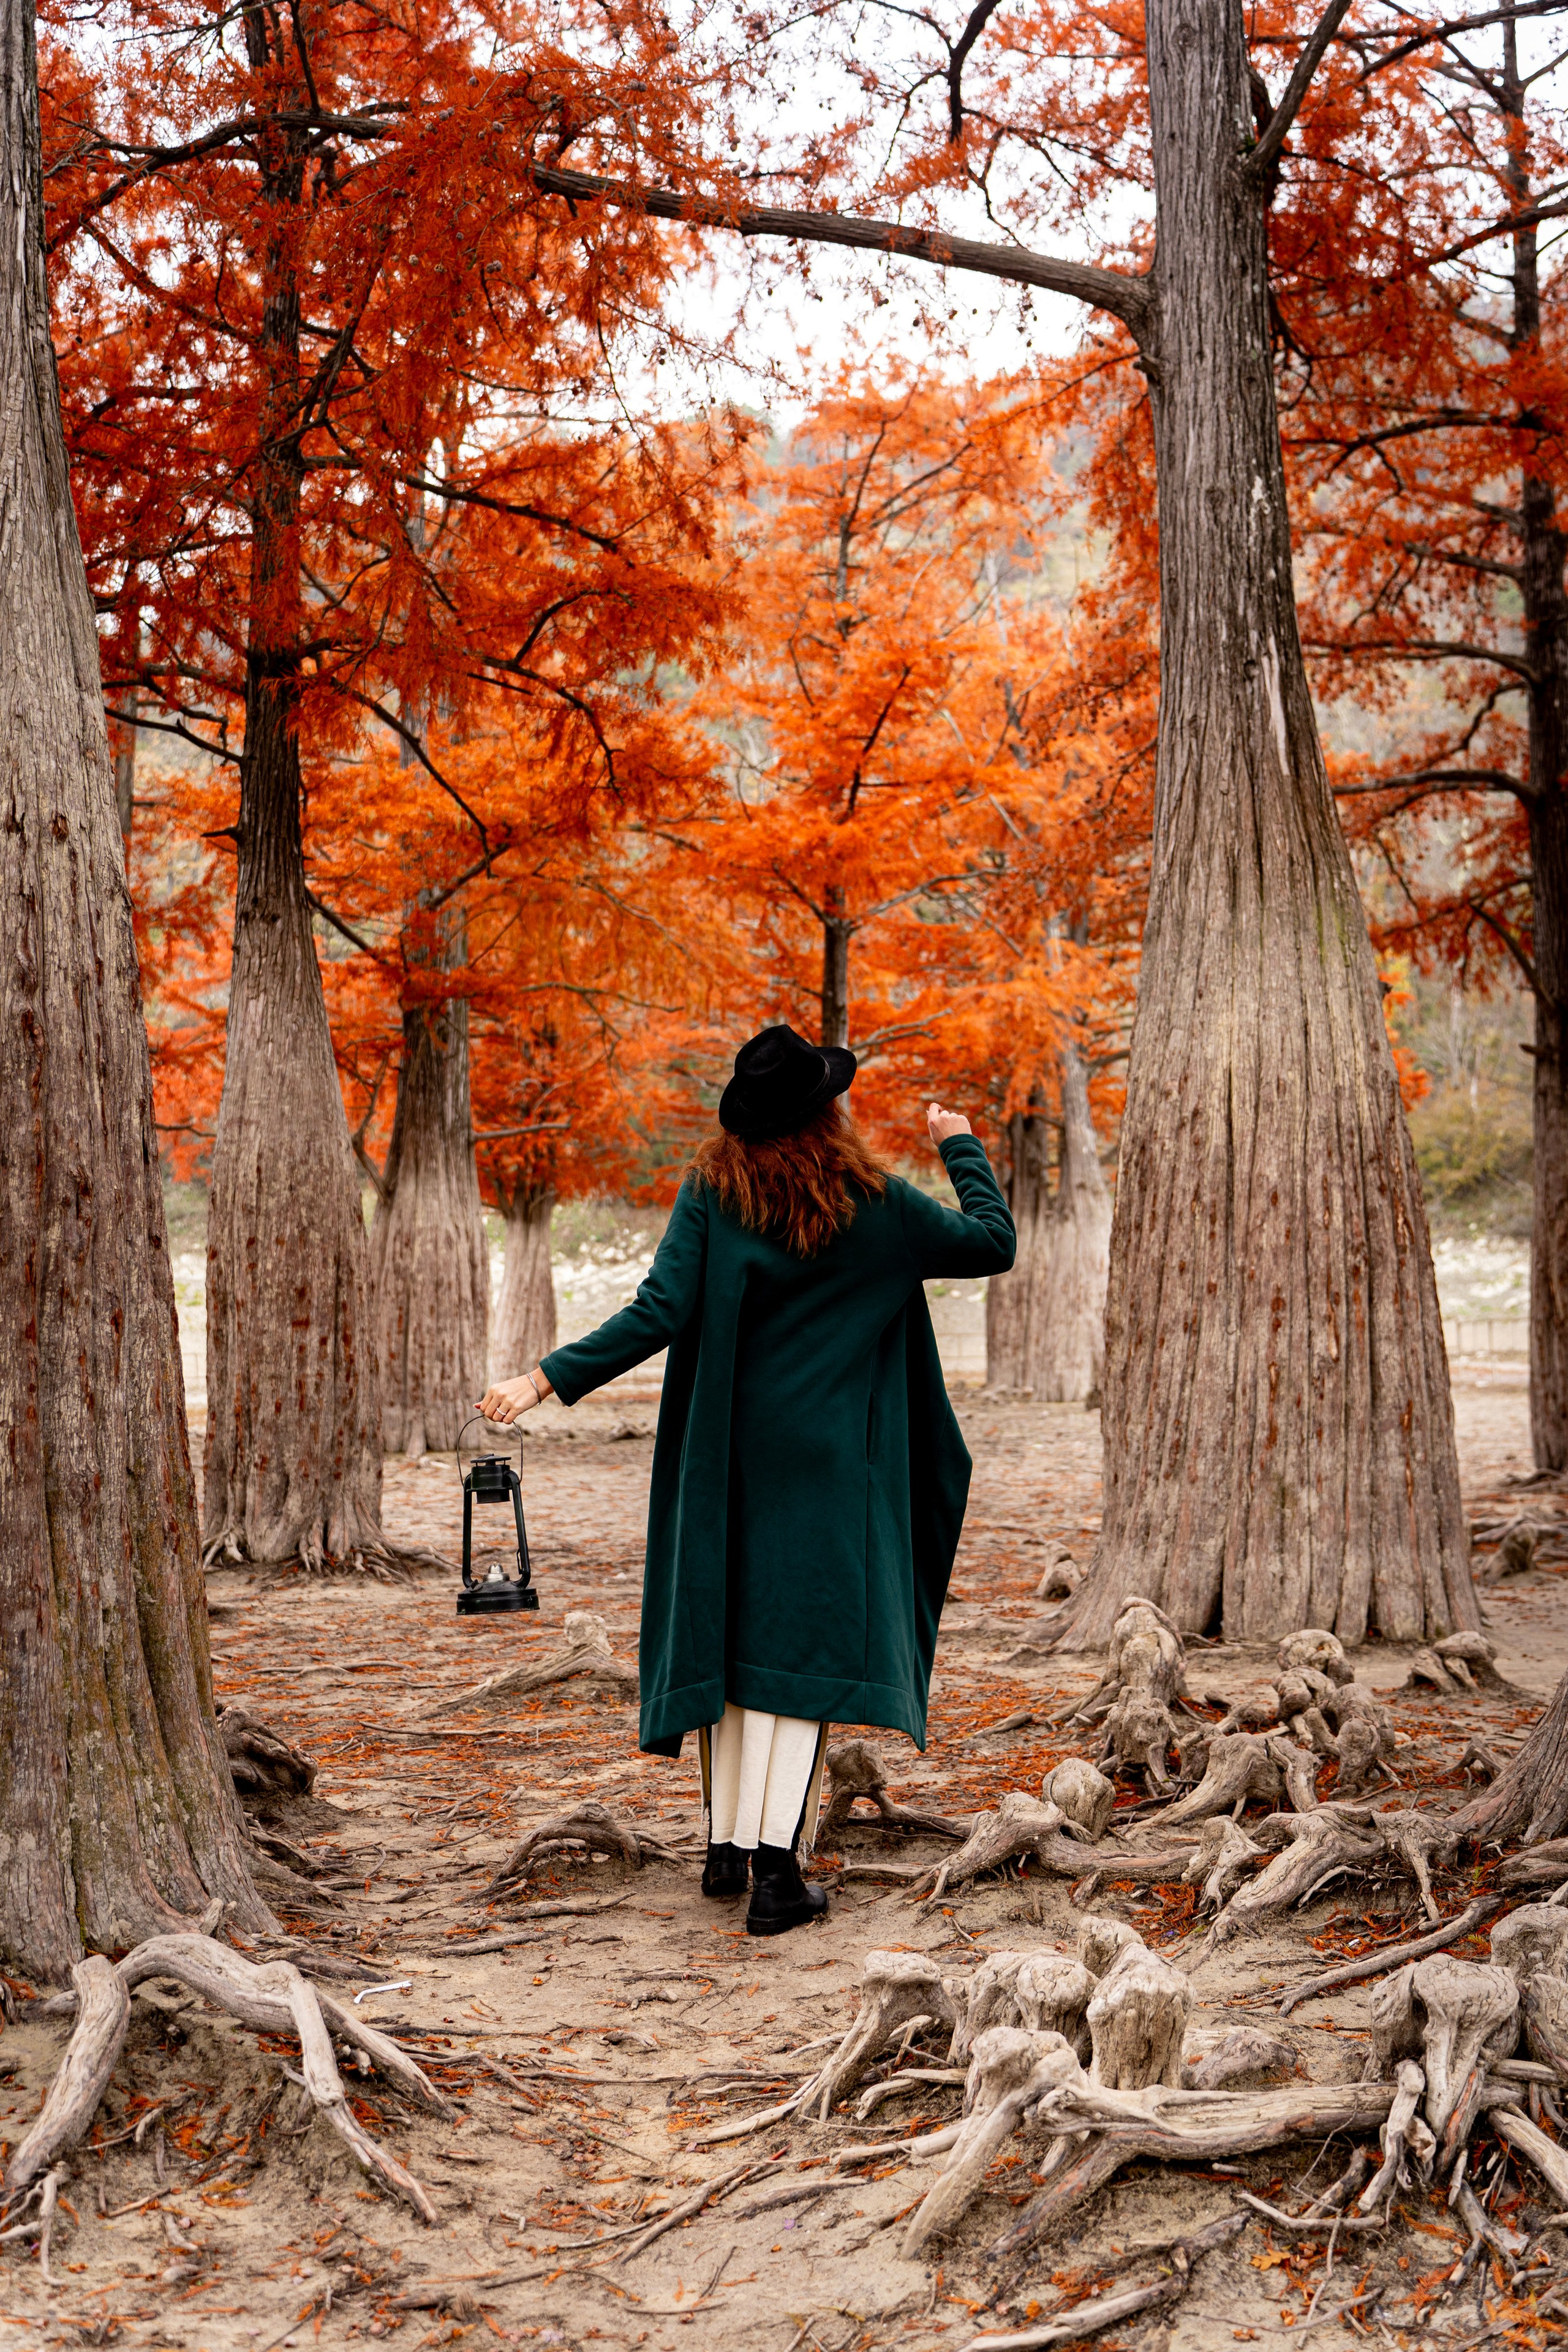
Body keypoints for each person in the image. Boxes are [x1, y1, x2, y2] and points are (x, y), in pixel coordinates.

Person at [479, 1023, 1016, 1936]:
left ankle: (726, 1849)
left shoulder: (712, 1191)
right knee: (797, 1661)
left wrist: (543, 1379)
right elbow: (990, 1243)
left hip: (727, 1460)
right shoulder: (876, 1202)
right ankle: (775, 1873)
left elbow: (659, 1310)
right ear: (827, 1115)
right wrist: (958, 1143)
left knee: (735, 1643)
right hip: (832, 1470)